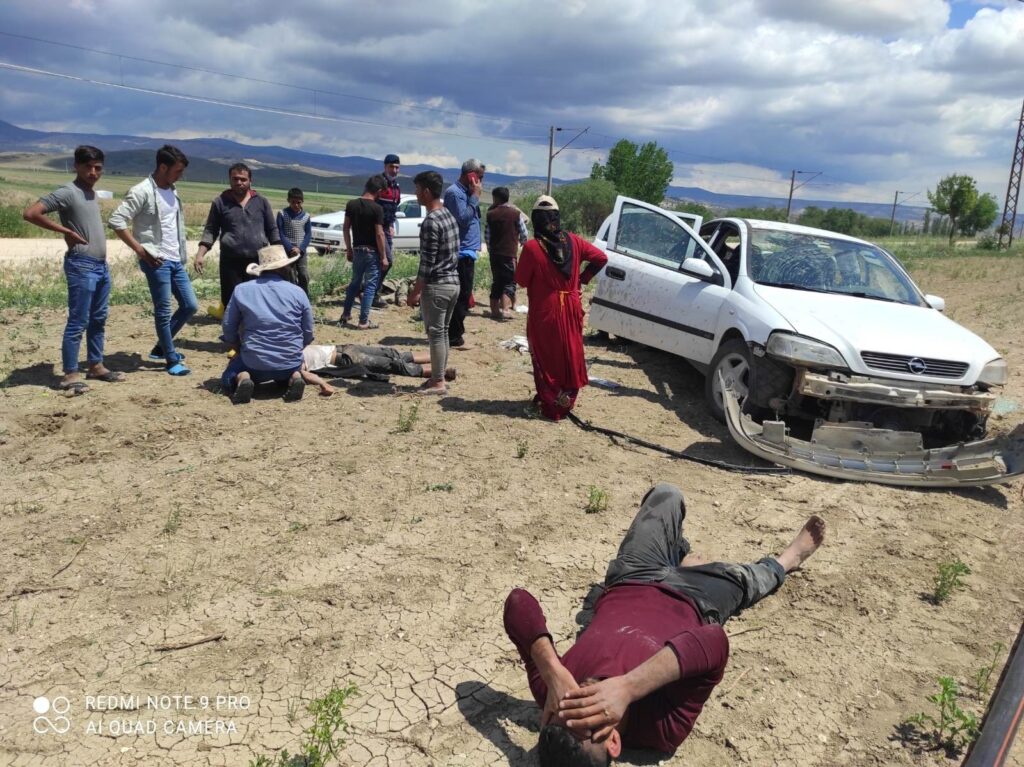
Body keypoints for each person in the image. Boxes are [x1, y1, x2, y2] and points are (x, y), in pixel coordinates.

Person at [504, 483, 826, 765]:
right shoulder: (662, 729)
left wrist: (551, 669)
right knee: (749, 581)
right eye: (586, 715)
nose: (579, 696)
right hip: (699, 598)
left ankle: (677, 554)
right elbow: (712, 641)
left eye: (565, 711)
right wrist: (628, 687)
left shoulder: (555, 689)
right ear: (613, 741)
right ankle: (788, 559)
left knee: (667, 494)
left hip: (632, 577)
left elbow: (518, 602)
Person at [22, 145, 125, 394]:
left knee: (98, 319)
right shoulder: (68, 192)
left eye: (97, 168)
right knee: (78, 321)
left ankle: (96, 365)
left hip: (100, 266)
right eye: (87, 167)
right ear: (76, 166)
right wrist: (65, 231)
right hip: (81, 265)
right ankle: (70, 374)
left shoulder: (91, 193)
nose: (93, 172)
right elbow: (30, 213)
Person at [515, 195, 608, 420]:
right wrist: (581, 279)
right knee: (569, 353)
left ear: (536, 220)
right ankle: (565, 399)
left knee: (546, 355)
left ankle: (552, 401)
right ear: (557, 218)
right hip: (572, 305)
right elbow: (601, 258)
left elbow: (522, 280)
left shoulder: (532, 248)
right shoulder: (574, 241)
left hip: (545, 310)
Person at [109, 144, 198, 376]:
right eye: (177, 171)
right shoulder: (141, 191)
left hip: (175, 258)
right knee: (163, 309)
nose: (180, 175)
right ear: (162, 166)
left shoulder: (173, 190)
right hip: (156, 260)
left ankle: (161, 347)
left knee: (190, 305)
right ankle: (170, 359)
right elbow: (117, 220)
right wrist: (140, 250)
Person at [220, 245, 313, 404]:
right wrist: (295, 348)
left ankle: (243, 377)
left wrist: (235, 345)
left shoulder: (241, 290)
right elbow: (308, 331)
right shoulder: (298, 292)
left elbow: (228, 325)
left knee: (228, 376)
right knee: (290, 370)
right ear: (286, 267)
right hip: (289, 361)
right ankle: (294, 376)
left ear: (261, 269)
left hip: (253, 360)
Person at [194, 163, 281, 313]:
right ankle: (232, 334)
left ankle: (250, 334)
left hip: (257, 261)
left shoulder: (261, 201)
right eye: (235, 179)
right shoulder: (220, 202)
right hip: (230, 261)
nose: (239, 182)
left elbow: (272, 230)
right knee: (230, 300)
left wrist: (281, 257)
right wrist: (200, 254)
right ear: (229, 179)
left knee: (255, 300)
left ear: (250, 181)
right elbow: (210, 230)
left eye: (243, 179)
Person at [407, 171, 460, 395]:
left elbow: (426, 264)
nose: (416, 194)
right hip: (453, 283)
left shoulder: (431, 221)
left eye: (418, 189)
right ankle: (438, 376)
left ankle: (438, 382)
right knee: (443, 333)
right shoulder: (448, 215)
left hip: (437, 286)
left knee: (436, 334)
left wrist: (415, 292)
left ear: (427, 192)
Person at [299, 343, 458, 395]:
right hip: (342, 354)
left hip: (345, 353)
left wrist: (322, 383)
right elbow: (303, 373)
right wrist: (321, 383)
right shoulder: (291, 356)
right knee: (393, 360)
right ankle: (440, 369)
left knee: (392, 357)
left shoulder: (289, 354)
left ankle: (439, 364)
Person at [443, 158, 486, 349]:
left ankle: (455, 333)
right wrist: (475, 197)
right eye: (480, 178)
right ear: (471, 175)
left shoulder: (466, 193)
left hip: (468, 252)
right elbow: (462, 219)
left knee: (464, 295)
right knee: (461, 296)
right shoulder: (455, 194)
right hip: (460, 253)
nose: (481, 183)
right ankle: (454, 337)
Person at [340, 175, 389, 330]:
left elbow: (346, 228)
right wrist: (384, 256)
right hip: (372, 252)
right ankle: (363, 321)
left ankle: (346, 314)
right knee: (370, 286)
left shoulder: (352, 204)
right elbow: (379, 234)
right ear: (379, 190)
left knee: (354, 283)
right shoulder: (377, 209)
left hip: (357, 250)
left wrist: (349, 248)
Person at [484, 186, 528, 320]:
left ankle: (494, 311)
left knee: (497, 281)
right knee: (510, 282)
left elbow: (487, 235)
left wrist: (491, 248)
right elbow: (524, 232)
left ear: (496, 198)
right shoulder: (515, 213)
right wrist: (522, 240)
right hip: (509, 254)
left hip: (495, 254)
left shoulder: (491, 214)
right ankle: (505, 309)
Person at [374, 153, 402, 307]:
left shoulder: (396, 187)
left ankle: (368, 289)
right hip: (376, 227)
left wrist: (391, 224)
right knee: (387, 261)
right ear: (385, 166)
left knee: (382, 262)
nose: (395, 170)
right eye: (392, 167)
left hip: (386, 227)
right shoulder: (378, 183)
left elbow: (393, 207)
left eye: (397, 167)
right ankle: (373, 293)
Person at [276, 187, 312, 296]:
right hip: (288, 251)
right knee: (289, 275)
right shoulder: (282, 214)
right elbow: (280, 232)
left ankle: (304, 297)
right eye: (293, 202)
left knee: (303, 274)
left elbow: (308, 234)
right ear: (288, 201)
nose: (296, 205)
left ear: (302, 202)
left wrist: (300, 249)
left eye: (298, 202)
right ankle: (291, 297)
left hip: (301, 251)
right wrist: (290, 247)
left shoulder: (306, 216)